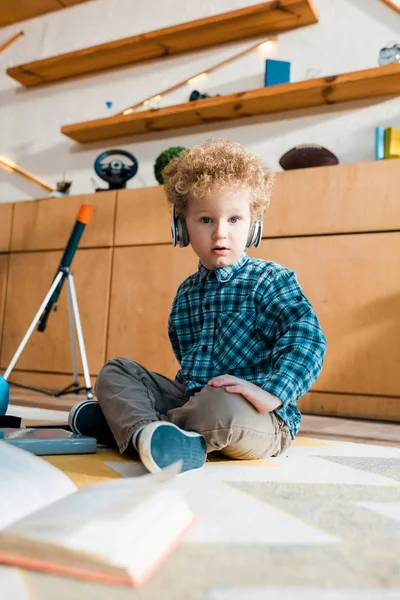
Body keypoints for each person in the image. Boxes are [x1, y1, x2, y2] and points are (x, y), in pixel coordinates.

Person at [69, 139, 327, 473]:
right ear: (181, 227)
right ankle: (152, 433)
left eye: (235, 220)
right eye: (206, 220)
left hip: (259, 416)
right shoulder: (186, 294)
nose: (221, 233)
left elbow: (308, 341)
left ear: (254, 226)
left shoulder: (271, 279)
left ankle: (132, 426)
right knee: (116, 371)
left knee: (218, 407)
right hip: (193, 399)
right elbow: (186, 369)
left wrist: (273, 393)